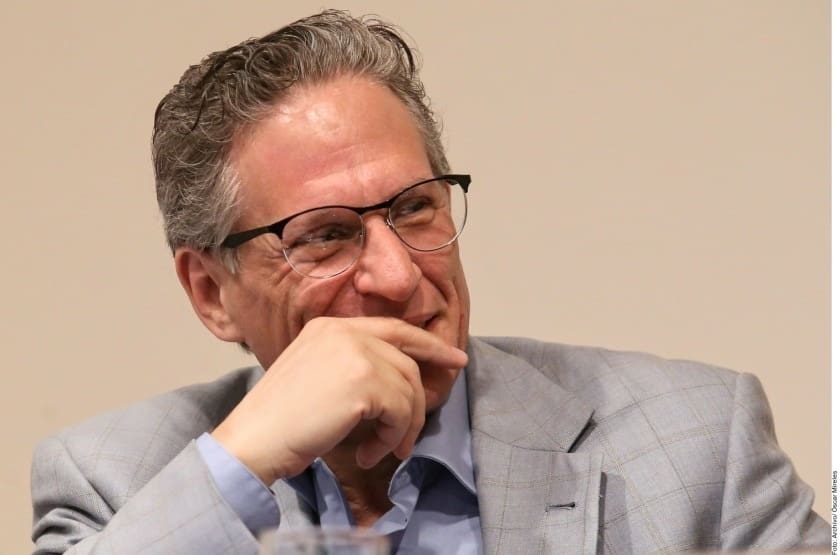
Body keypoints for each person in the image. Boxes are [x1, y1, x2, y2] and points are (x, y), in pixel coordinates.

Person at [30, 10, 828, 554]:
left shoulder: (698, 443)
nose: (398, 273)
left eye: (415, 208)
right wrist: (243, 461)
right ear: (211, 292)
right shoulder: (114, 479)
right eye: (326, 235)